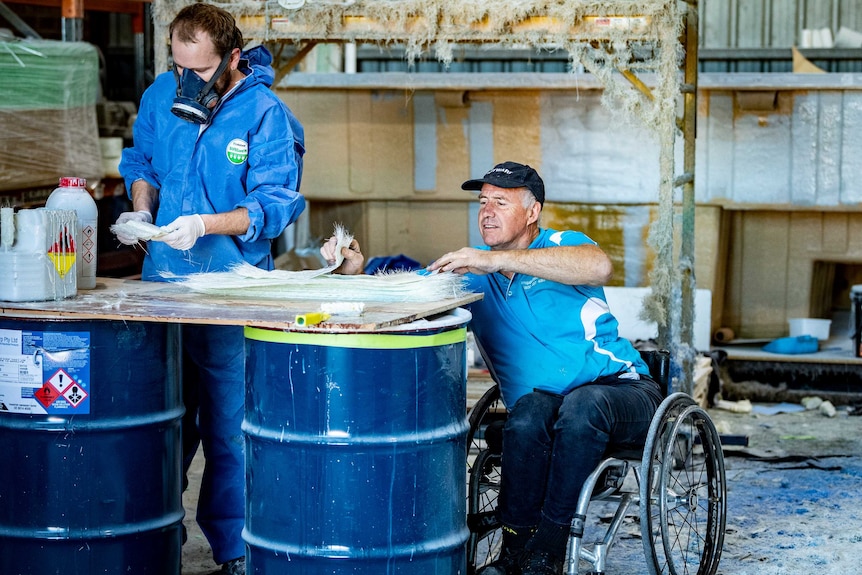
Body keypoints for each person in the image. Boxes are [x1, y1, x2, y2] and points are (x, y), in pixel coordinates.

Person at [321, 161, 663, 575]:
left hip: (621, 391)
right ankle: (515, 552)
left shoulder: (562, 244)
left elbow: (599, 266)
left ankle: (549, 552)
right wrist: (354, 276)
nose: (486, 211)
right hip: (546, 407)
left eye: (500, 202)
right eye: (483, 202)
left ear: (532, 212)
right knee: (527, 416)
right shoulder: (471, 272)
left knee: (583, 406)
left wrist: (499, 262)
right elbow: (403, 296)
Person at [114, 4, 306, 574]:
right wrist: (140, 211)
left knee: (230, 426)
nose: (186, 81)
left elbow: (273, 206)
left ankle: (235, 549)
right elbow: (143, 161)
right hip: (164, 290)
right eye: (179, 67)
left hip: (231, 291)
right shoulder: (160, 95)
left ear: (232, 59)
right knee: (159, 420)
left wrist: (205, 223)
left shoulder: (266, 115)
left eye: (199, 73)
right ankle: (152, 537)